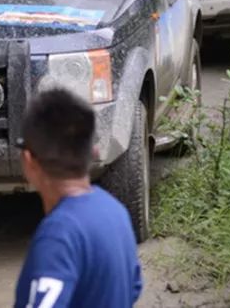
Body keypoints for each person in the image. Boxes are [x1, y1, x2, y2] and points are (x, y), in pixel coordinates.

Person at [14, 89, 142, 308]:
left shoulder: (59, 235)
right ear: (92, 151)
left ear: (29, 161)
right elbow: (134, 286)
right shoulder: (115, 212)